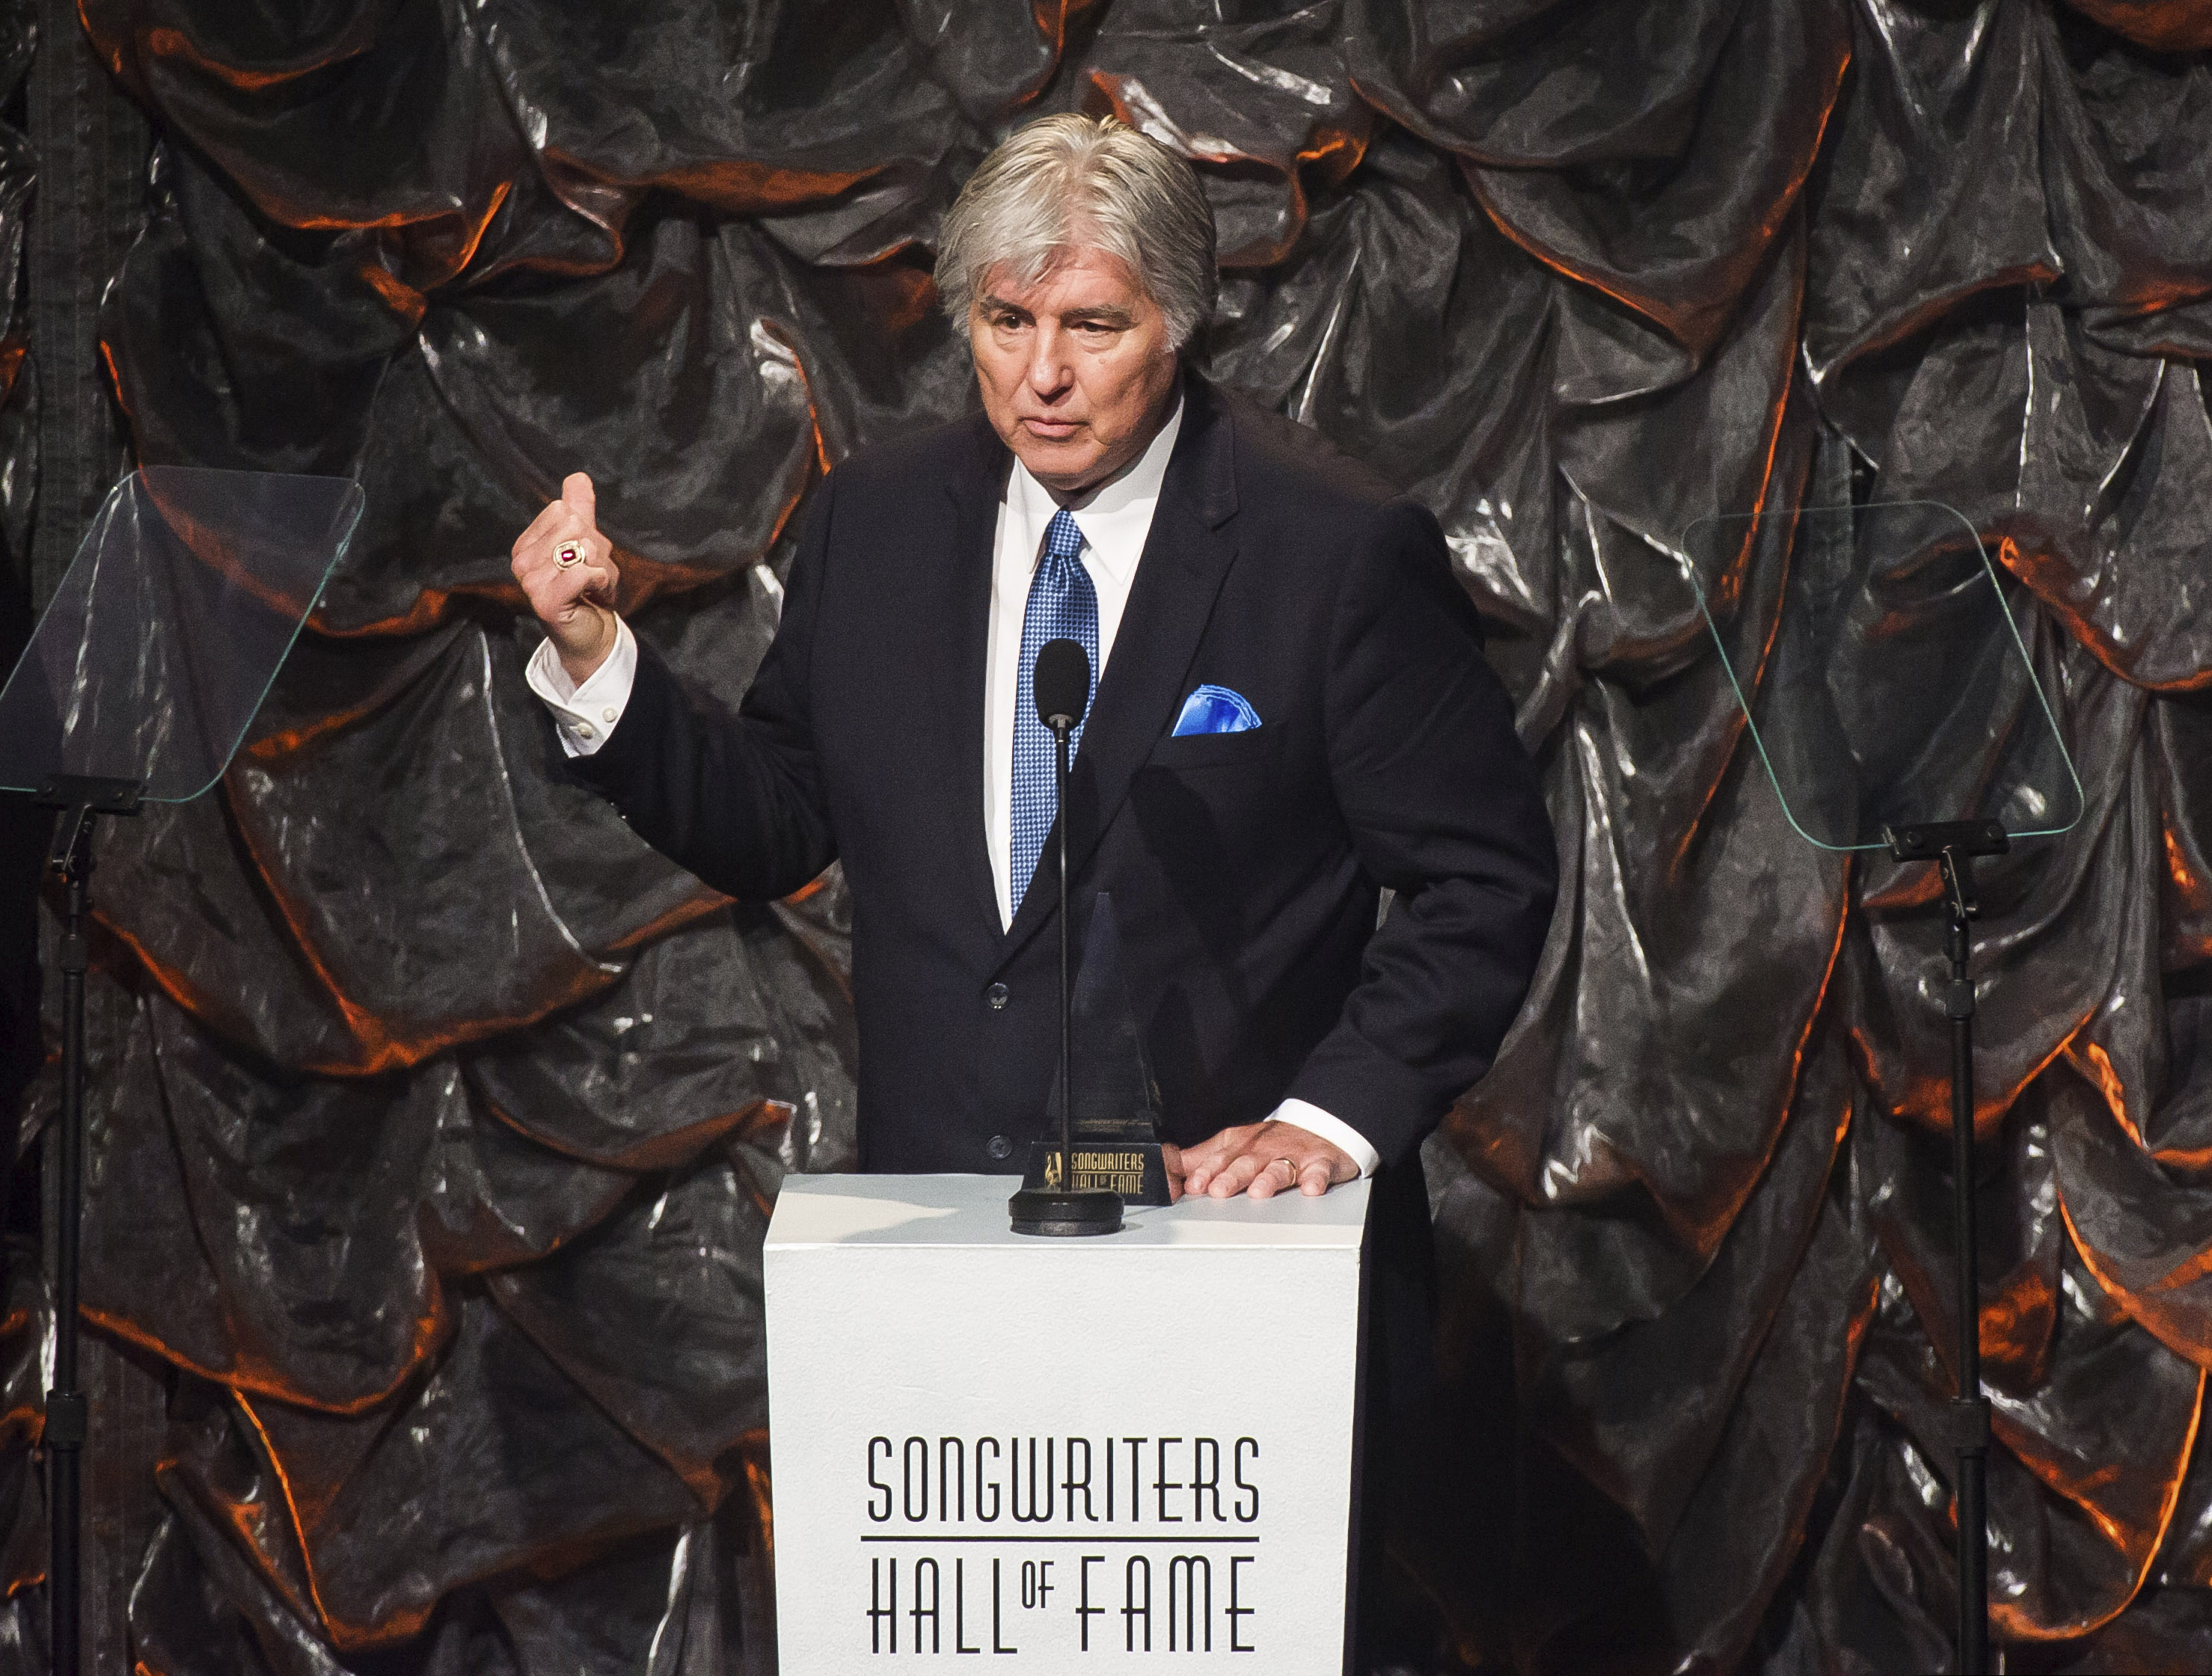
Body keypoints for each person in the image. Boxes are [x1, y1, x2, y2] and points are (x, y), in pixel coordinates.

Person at [513, 112, 1555, 1659]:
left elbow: (1481, 878)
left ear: (1177, 326)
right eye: (1005, 323)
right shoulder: (872, 522)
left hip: (1223, 1299)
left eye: (1091, 326)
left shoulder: (1327, 548)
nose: (1041, 376)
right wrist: (605, 671)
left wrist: (1324, 1120)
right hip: (946, 1291)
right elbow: (780, 815)